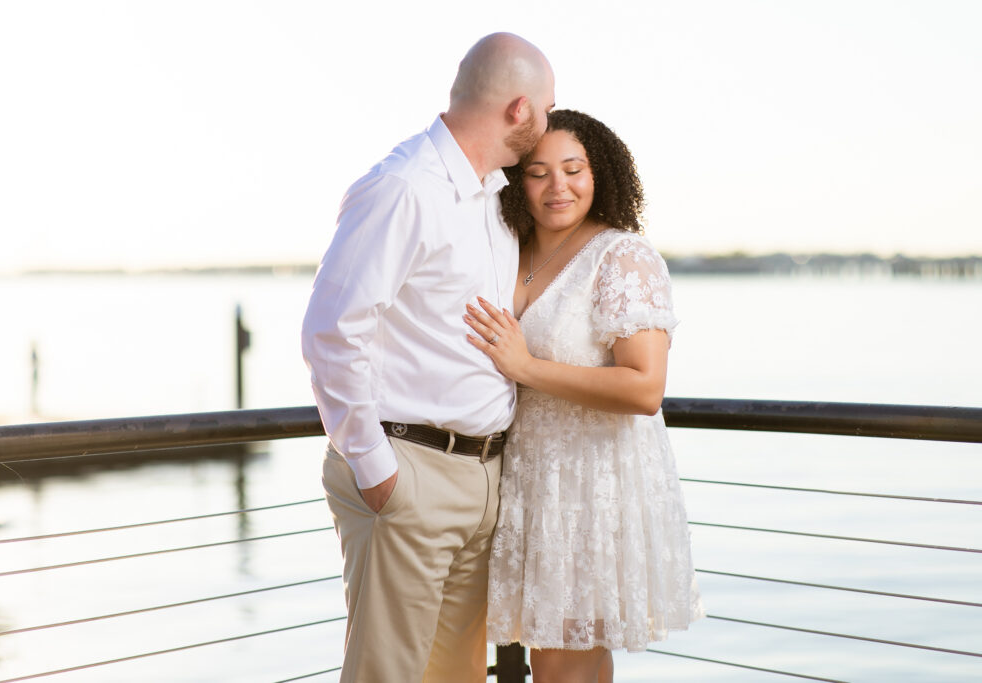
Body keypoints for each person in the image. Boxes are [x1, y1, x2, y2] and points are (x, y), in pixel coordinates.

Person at [301, 33, 555, 682]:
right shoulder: (404, 188)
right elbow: (332, 330)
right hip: (409, 473)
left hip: (482, 477)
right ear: (520, 109)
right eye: (549, 109)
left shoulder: (494, 199)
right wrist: (376, 467)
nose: (550, 123)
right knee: (388, 675)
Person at [464, 110, 704, 682]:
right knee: (562, 660)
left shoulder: (621, 257)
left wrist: (526, 366)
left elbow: (645, 387)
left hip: (590, 487)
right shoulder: (506, 250)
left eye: (573, 170)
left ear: (601, 176)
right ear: (516, 181)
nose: (558, 187)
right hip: (522, 482)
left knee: (561, 666)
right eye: (538, 173)